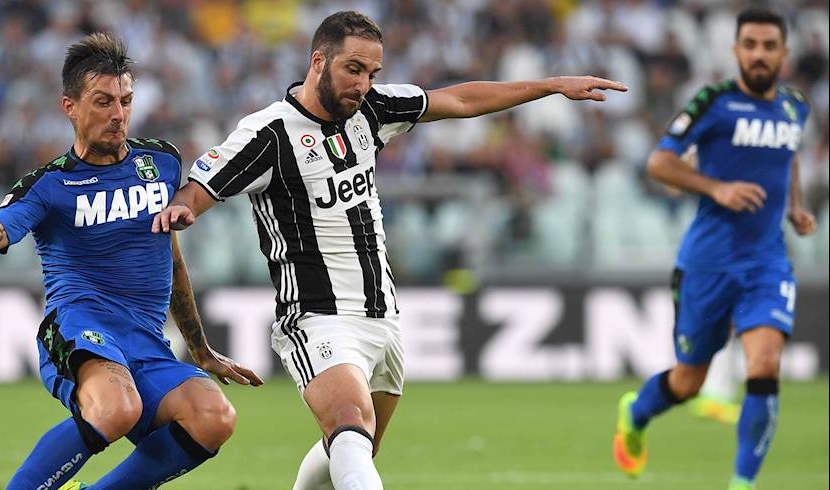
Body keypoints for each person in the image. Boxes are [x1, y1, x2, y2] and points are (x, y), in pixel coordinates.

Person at [152, 11, 625, 489]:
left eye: (372, 73)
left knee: (356, 443)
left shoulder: (372, 110)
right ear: (319, 61)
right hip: (316, 315)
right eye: (353, 69)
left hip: (383, 316)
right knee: (350, 424)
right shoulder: (268, 134)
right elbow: (197, 190)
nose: (364, 83)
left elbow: (459, 98)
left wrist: (548, 85)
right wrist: (182, 210)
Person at [0, 32, 262, 490]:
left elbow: (171, 260)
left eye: (125, 101)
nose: (118, 114)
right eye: (103, 101)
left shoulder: (162, 162)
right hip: (80, 328)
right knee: (116, 407)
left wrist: (201, 348)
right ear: (69, 107)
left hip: (145, 342)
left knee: (214, 416)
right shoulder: (49, 185)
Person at [612, 9, 815, 490]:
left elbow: (788, 157)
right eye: (750, 44)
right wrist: (716, 187)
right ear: (736, 50)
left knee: (764, 364)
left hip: (767, 262)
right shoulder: (714, 102)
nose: (759, 54)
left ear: (784, 54)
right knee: (689, 381)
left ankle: (741, 484)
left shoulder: (794, 108)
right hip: (708, 263)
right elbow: (659, 162)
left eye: (769, 46)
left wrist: (796, 206)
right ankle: (635, 415)